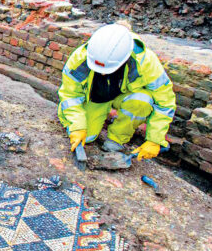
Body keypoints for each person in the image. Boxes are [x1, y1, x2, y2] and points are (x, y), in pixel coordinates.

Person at [58, 23, 176, 160]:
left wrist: (155, 140)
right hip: (96, 98)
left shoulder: (145, 62)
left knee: (143, 101)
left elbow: (165, 103)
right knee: (87, 136)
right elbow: (70, 95)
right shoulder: (81, 57)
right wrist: (77, 126)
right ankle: (74, 121)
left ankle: (116, 139)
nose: (102, 74)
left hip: (125, 96)